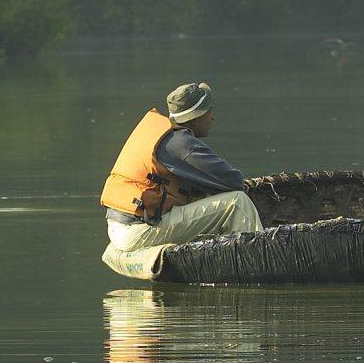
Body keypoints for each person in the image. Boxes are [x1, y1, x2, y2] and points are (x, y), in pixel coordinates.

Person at [99, 81, 261, 278]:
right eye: (208, 111)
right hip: (137, 232)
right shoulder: (179, 144)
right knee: (238, 201)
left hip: (119, 228)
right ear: (194, 119)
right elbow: (234, 182)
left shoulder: (159, 133)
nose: (212, 117)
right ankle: (255, 267)